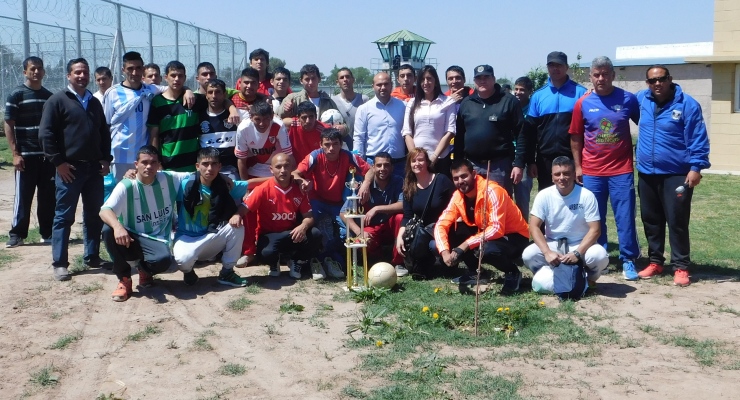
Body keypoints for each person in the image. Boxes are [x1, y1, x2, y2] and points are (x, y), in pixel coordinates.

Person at [635, 65, 710, 287]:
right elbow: (618, 100)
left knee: (677, 221)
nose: (657, 83)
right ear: (647, 83)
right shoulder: (641, 99)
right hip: (647, 174)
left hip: (677, 174)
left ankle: (681, 266)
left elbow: (698, 138)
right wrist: (592, 92)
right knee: (651, 220)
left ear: (670, 79)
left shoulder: (687, 104)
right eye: (652, 80)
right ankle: (656, 262)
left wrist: (696, 167)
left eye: (661, 79)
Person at [39, 57, 112, 281]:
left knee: (94, 215)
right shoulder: (57, 100)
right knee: (64, 216)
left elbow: (103, 132)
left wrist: (105, 159)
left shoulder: (93, 102)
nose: (82, 76)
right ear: (69, 76)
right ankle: (60, 263)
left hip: (93, 170)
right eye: (77, 72)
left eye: (85, 72)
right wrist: (58, 163)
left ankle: (92, 256)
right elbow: (46, 134)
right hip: (69, 170)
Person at [569, 56, 641, 280]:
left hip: (621, 170)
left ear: (613, 75)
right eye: (596, 74)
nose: (601, 78)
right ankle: (600, 258)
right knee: (594, 218)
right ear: (591, 77)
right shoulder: (583, 102)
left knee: (625, 216)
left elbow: (644, 125)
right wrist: (578, 167)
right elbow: (575, 137)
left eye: (605, 74)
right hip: (592, 171)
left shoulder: (628, 99)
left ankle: (628, 259)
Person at [100, 146, 190, 301]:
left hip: (156, 239)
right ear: (136, 164)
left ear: (159, 165)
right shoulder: (127, 184)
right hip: (131, 235)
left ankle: (144, 271)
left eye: (153, 162)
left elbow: (201, 175)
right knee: (108, 229)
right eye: (144, 162)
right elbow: (104, 210)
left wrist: (224, 178)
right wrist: (118, 227)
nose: (149, 166)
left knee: (163, 261)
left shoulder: (169, 178)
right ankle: (124, 279)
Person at [433, 159, 529, 294]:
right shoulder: (458, 196)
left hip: (514, 237)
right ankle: (476, 272)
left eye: (464, 176)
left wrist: (464, 245)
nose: (460, 181)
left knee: (486, 249)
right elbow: (440, 224)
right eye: (456, 178)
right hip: (487, 233)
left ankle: (512, 272)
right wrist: (444, 252)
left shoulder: (492, 191)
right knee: (453, 233)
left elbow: (496, 228)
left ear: (474, 174)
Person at [292, 128, 373, 277]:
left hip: (338, 203)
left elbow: (369, 170)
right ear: (321, 145)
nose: (331, 148)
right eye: (327, 144)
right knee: (310, 226)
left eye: (335, 144)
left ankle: (333, 259)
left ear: (341, 144)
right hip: (318, 200)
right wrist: (302, 180)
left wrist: (366, 184)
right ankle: (307, 259)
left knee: (345, 233)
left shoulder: (348, 156)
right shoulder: (315, 156)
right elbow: (295, 173)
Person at [104, 51, 195, 181]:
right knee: (123, 195)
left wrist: (187, 89)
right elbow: (105, 126)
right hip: (120, 157)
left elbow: (171, 88)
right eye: (130, 68)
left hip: (144, 157)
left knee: (143, 196)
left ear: (143, 69)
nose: (135, 72)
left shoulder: (151, 89)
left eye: (138, 68)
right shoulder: (112, 93)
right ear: (123, 69)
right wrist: (105, 158)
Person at [522, 156, 608, 292]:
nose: (562, 177)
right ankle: (550, 275)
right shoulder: (544, 195)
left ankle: (588, 279)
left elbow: (595, 230)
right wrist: (547, 252)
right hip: (553, 243)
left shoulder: (586, 195)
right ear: (552, 177)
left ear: (574, 175)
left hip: (580, 243)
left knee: (599, 256)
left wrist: (578, 253)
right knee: (528, 255)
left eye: (566, 173)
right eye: (557, 174)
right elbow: (533, 226)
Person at [173, 148, 248, 287]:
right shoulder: (183, 183)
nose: (210, 168)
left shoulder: (225, 184)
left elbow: (255, 185)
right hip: (186, 237)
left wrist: (292, 177)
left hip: (211, 235)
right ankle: (188, 272)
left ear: (220, 166)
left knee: (237, 226)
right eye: (205, 164)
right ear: (197, 166)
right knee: (183, 260)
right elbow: (156, 175)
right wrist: (131, 173)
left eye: (214, 164)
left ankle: (227, 273)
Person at [147, 60, 239, 172]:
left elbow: (219, 100)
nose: (176, 79)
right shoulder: (157, 102)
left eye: (180, 76)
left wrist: (233, 109)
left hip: (192, 165)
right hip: (168, 165)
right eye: (173, 75)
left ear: (184, 78)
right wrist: (157, 163)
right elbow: (154, 136)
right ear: (166, 77)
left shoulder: (195, 100)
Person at [234, 100, 294, 266]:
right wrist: (245, 187)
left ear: (272, 116)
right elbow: (241, 161)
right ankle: (248, 252)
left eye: (266, 119)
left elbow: (289, 156)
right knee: (248, 205)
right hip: (254, 173)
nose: (262, 123)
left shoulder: (279, 126)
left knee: (285, 206)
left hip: (277, 171)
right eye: (257, 119)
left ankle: (286, 250)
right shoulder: (243, 128)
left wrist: (290, 178)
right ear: (251, 117)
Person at [244, 153, 321, 279]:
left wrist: (303, 226)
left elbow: (309, 217)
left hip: (291, 234)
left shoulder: (299, 189)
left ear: (292, 168)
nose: (283, 170)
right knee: (265, 253)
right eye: (278, 167)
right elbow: (244, 209)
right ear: (271, 169)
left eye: (286, 166)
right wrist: (236, 216)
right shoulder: (262, 189)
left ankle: (296, 260)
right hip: (269, 235)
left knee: (315, 234)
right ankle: (274, 262)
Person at [4, 56, 55, 248]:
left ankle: (47, 232)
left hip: (46, 157)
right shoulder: (16, 95)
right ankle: (17, 234)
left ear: (43, 72)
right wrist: (15, 154)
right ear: (25, 71)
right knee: (23, 197)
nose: (36, 72)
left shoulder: (49, 96)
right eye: (32, 69)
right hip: (25, 157)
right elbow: (9, 124)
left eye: (39, 69)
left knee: (48, 196)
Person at [454, 64, 526, 195]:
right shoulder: (466, 103)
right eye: (479, 78)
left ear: (494, 79)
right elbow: (459, 137)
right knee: (474, 206)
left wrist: (519, 164)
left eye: (486, 77)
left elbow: (521, 134)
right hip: (472, 165)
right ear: (474, 81)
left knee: (499, 206)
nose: (482, 81)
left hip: (499, 166)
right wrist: (458, 165)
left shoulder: (508, 101)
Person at [527, 51, 587, 190]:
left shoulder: (581, 93)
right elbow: (529, 132)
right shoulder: (538, 96)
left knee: (575, 200)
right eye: (551, 65)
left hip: (572, 158)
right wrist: (531, 161)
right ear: (547, 68)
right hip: (545, 160)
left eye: (559, 65)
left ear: (566, 67)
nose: (555, 69)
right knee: (549, 201)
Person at [340, 152, 406, 276]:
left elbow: (403, 205)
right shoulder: (363, 186)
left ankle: (399, 262)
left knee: (400, 218)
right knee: (365, 239)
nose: (382, 169)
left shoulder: (398, 181)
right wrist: (360, 232)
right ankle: (377, 257)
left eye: (386, 165)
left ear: (392, 168)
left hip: (389, 225)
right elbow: (343, 213)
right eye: (379, 165)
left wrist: (376, 208)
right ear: (373, 167)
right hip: (371, 227)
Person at [395, 148, 455, 277]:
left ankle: (448, 262)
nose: (417, 163)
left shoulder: (441, 180)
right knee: (415, 242)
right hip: (423, 231)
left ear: (427, 162)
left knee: (434, 246)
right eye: (413, 161)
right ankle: (427, 263)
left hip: (444, 228)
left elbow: (457, 202)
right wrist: (399, 236)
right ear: (409, 165)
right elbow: (407, 216)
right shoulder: (409, 186)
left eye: (421, 160)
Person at [401, 65, 455, 177]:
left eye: (429, 79)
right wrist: (415, 157)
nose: (426, 82)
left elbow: (450, 131)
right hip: (417, 162)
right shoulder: (412, 103)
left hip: (440, 159)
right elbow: (407, 132)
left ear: (436, 81)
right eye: (422, 79)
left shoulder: (448, 102)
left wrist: (434, 157)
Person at [354, 72, 406, 178]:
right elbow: (359, 138)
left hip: (399, 163)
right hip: (373, 163)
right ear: (373, 86)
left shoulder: (403, 106)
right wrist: (359, 163)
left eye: (386, 84)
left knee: (400, 193)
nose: (383, 87)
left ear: (391, 85)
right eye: (379, 85)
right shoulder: (364, 109)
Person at [197, 79, 240, 180]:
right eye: (210, 92)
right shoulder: (199, 117)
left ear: (224, 94)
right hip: (208, 171)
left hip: (231, 170)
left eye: (217, 92)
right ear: (206, 95)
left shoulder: (235, 116)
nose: (214, 96)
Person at [512, 76, 535, 219]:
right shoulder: (510, 105)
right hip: (508, 156)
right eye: (516, 89)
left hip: (524, 159)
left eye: (522, 90)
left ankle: (521, 236)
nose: (518, 92)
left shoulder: (533, 108)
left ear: (529, 92)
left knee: (522, 199)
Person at [331, 68, 369, 151]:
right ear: (337, 82)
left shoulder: (364, 100)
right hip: (340, 150)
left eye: (347, 77)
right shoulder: (332, 101)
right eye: (342, 77)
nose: (345, 80)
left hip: (361, 148)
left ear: (353, 80)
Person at [284, 101, 329, 165]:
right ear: (298, 118)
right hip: (295, 168)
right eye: (304, 117)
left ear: (316, 116)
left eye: (311, 116)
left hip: (317, 168)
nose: (308, 121)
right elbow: (280, 122)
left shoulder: (324, 130)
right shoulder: (293, 124)